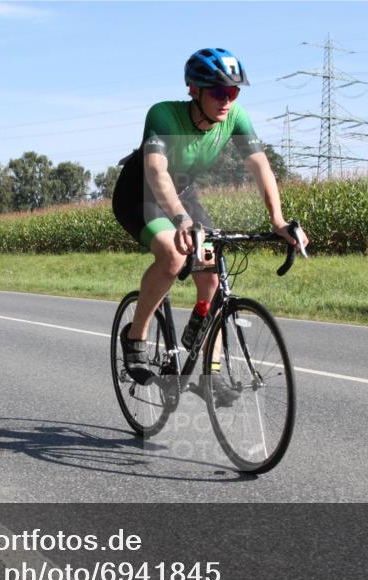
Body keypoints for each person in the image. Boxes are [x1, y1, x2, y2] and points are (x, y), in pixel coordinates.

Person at [112, 47, 309, 402]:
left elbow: (261, 167)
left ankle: (208, 373)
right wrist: (182, 220)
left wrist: (277, 219)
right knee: (173, 257)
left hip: (184, 193)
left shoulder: (235, 118)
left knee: (213, 274)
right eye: (219, 92)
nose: (227, 101)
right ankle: (135, 336)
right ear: (193, 90)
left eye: (233, 93)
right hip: (140, 194)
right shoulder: (164, 115)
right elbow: (156, 172)